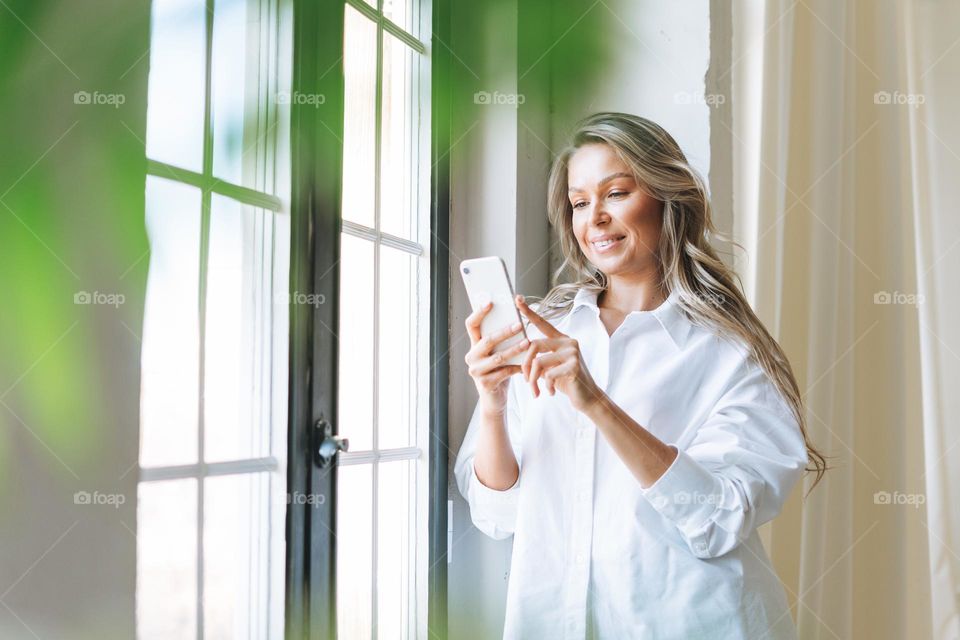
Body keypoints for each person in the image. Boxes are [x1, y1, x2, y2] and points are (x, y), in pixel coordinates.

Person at [454, 112, 828, 639]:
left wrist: (597, 404)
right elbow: (497, 514)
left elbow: (720, 519)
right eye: (580, 202)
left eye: (616, 193)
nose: (595, 218)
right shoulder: (545, 334)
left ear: (664, 197)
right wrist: (493, 403)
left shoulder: (729, 354)